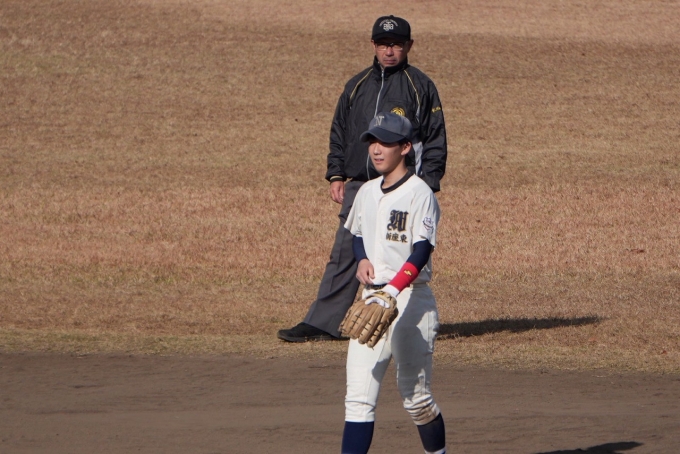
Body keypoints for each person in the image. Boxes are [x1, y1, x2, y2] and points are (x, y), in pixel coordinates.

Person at [278, 15, 447, 342]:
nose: (389, 51)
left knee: (401, 254)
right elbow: (339, 131)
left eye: (396, 45)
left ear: (409, 46)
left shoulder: (420, 86)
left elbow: (435, 138)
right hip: (361, 186)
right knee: (345, 253)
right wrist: (336, 174)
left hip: (403, 187)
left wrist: (427, 184)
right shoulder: (356, 85)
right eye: (383, 44)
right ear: (372, 45)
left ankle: (402, 321)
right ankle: (322, 323)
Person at [341, 112, 446, 454]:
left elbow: (422, 250)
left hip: (411, 300)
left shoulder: (419, 193)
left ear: (404, 148)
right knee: (358, 400)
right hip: (371, 298)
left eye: (385, 142)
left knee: (416, 400)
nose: (376, 149)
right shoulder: (367, 191)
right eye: (373, 141)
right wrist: (362, 259)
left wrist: (392, 290)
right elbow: (358, 233)